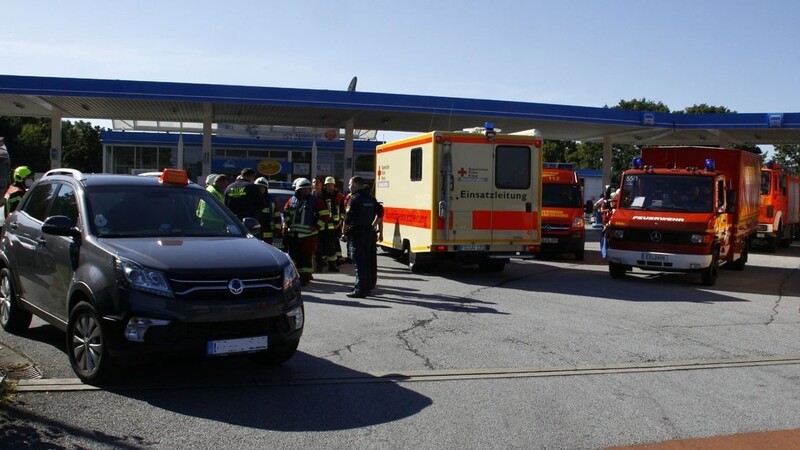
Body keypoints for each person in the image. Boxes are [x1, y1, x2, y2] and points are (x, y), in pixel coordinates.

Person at [283, 177, 331, 286]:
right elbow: (285, 213)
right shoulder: (292, 200)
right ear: (298, 190)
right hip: (294, 235)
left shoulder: (315, 201)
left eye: (307, 189)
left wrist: (316, 227)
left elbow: (325, 216)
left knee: (306, 258)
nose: (306, 191)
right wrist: (288, 225)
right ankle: (295, 277)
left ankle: (305, 278)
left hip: (308, 236)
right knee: (293, 257)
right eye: (303, 189)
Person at [341, 176, 378, 298]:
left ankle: (360, 290)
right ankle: (367, 288)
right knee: (367, 262)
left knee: (359, 264)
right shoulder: (371, 198)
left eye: (350, 184)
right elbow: (381, 213)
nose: (349, 187)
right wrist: (372, 226)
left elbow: (348, 218)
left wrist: (343, 232)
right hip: (368, 233)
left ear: (356, 185)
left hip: (358, 234)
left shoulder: (355, 199)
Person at [317, 176, 345, 272]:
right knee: (320, 247)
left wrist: (339, 222)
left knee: (331, 247)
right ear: (325, 185)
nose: (329, 186)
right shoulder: (321, 195)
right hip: (321, 226)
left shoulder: (338, 196)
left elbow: (341, 211)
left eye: (331, 185)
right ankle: (321, 264)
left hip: (333, 226)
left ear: (334, 185)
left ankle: (332, 265)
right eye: (327, 185)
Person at [254, 177, 282, 245]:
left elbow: (277, 215)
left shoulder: (272, 200)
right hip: (254, 232)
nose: (260, 189)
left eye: (262, 187)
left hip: (268, 234)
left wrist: (277, 230)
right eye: (258, 187)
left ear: (266, 189)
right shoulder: (251, 199)